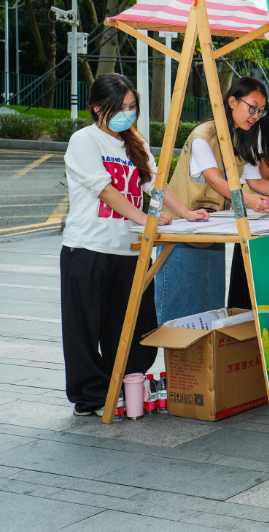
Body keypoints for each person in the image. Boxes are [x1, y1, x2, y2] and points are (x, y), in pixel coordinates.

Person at [60, 74, 209, 416]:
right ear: (97, 108)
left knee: (129, 326)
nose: (127, 114)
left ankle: (125, 385)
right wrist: (146, 219)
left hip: (129, 251)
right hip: (88, 249)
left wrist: (185, 212)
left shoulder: (135, 141)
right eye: (119, 108)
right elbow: (106, 191)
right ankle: (92, 397)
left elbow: (154, 185)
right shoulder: (85, 141)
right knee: (85, 329)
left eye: (132, 107)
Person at [161, 78, 269, 323]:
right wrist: (249, 200)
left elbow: (256, 180)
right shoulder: (203, 135)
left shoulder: (242, 136)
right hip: (181, 228)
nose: (255, 115)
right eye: (252, 107)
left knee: (208, 311)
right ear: (232, 101)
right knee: (180, 311)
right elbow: (216, 181)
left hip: (210, 229)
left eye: (260, 110)